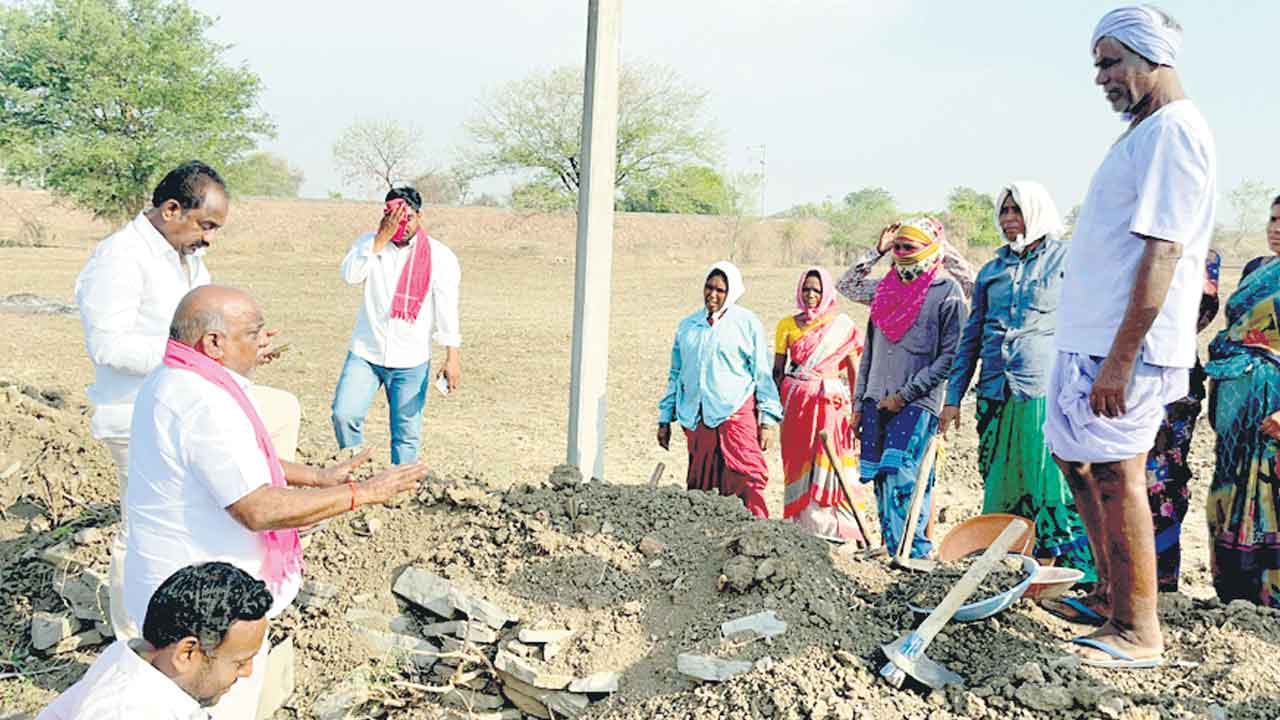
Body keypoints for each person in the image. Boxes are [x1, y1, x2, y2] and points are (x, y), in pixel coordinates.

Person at [125, 285, 426, 718]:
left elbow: (238, 460)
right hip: (204, 615)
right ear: (214, 343)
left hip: (185, 593)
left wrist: (317, 478)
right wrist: (363, 493)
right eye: (253, 333)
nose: (263, 343)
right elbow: (258, 508)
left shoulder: (177, 377)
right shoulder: (203, 402)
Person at [1043, 6, 1215, 668]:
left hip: (1124, 347)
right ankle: (1109, 593)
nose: (1102, 78)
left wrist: (1120, 359)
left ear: (1152, 58)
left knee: (1118, 472)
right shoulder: (1144, 133)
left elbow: (1163, 251)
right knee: (1078, 462)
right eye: (1098, 65)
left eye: (1111, 62)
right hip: (1089, 339)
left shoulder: (1175, 131)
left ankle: (1138, 629)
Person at [74, 161, 298, 640]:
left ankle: (257, 531)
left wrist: (238, 350)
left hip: (191, 406)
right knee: (142, 531)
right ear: (172, 209)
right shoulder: (120, 258)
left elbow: (205, 328)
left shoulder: (187, 256)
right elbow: (108, 347)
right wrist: (191, 356)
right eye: (206, 225)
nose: (209, 238)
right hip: (140, 414)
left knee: (280, 411)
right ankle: (137, 640)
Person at [941, 182, 1095, 581]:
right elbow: (971, 337)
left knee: (1048, 482)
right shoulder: (992, 271)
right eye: (1005, 211)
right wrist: (953, 397)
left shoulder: (1067, 260)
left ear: (1037, 212)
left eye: (1017, 211)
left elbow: (1089, 321)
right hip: (996, 391)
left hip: (1043, 391)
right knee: (1001, 481)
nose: (1009, 219)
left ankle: (1063, 571)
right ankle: (1009, 566)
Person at [848, 218, 968, 558]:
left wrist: (904, 396)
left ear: (930, 249)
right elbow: (849, 287)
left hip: (917, 401)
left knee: (906, 477)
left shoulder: (947, 292)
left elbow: (951, 357)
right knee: (881, 478)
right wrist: (859, 403)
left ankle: (914, 552)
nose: (901, 253)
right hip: (875, 397)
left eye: (909, 247)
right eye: (897, 247)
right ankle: (893, 551)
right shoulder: (885, 290)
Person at [37, 562, 273, 719]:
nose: (248, 672)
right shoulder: (124, 712)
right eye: (240, 662)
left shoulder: (143, 661)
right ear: (187, 653)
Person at [332, 186, 462, 465]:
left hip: (411, 359)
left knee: (406, 434)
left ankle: (400, 484)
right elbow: (350, 277)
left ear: (420, 216)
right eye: (395, 218)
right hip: (366, 352)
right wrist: (379, 240)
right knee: (344, 414)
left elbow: (447, 310)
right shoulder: (368, 245)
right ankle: (355, 469)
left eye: (408, 218)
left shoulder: (440, 256)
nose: (402, 226)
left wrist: (452, 358)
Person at [658, 262, 782, 518]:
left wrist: (767, 421)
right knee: (702, 486)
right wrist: (664, 418)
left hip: (735, 413)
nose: (712, 295)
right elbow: (676, 374)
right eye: (709, 287)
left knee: (747, 479)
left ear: (731, 292)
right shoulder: (688, 326)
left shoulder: (746, 324)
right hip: (698, 417)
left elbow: (762, 373)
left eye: (720, 290)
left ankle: (756, 533)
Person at [1204, 196, 1280, 607]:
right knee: (1229, 491)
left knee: (1269, 496)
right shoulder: (1256, 269)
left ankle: (1270, 598)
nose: (1276, 228)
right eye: (1272, 219)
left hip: (1274, 405)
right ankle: (1233, 592)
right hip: (1237, 403)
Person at [773, 266, 867, 541]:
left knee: (831, 456)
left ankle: (835, 528)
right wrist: (772, 410)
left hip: (830, 405)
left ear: (826, 293)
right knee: (798, 460)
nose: (810, 295)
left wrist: (858, 410)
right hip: (796, 406)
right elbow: (777, 371)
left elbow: (855, 373)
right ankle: (802, 525)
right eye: (806, 289)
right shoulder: (786, 325)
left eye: (816, 290)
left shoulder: (843, 329)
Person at [1146, 250, 1221, 593]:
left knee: (1164, 480)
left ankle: (1161, 578)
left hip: (1175, 382)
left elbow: (1202, 309)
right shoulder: (1136, 248)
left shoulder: (1202, 257)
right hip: (1132, 373)